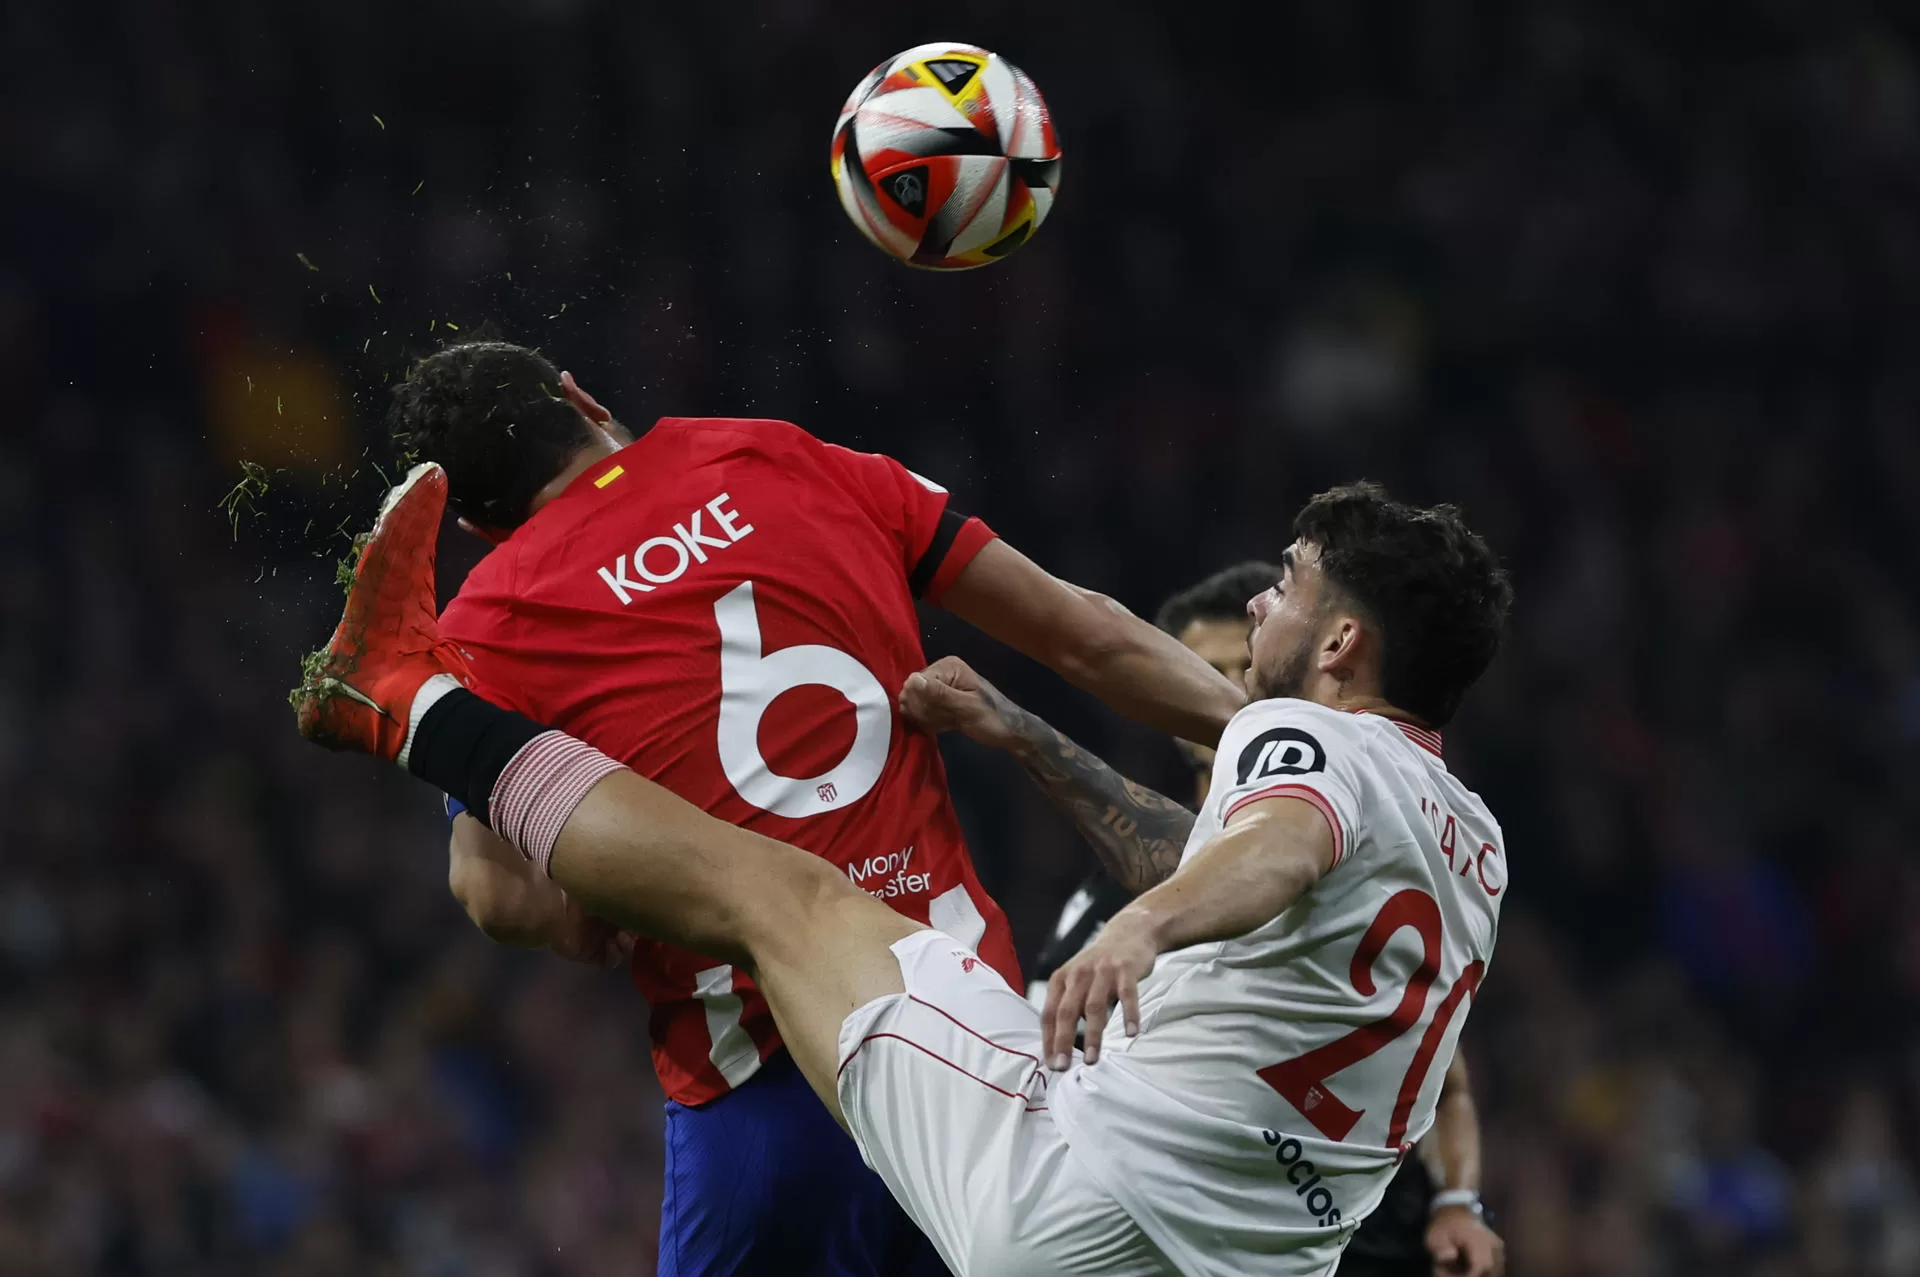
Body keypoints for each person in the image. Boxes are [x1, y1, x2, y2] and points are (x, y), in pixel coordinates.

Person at [295, 468, 1513, 1276]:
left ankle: (408, 704)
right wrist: (1034, 737)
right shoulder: (1472, 837)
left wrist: (1143, 927)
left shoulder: (1299, 748)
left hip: (1077, 1198)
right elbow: (1274, 844)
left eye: (1290, 583)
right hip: (1244, 1259)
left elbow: (1276, 843)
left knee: (780, 892)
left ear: (1343, 642)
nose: (1262, 594)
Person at [379, 339, 1245, 1275]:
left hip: (763, 1094)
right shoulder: (786, 456)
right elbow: (1089, 636)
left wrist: (591, 903)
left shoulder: (487, 626)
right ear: (582, 398)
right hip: (976, 1051)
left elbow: (498, 896)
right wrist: (1296, 744)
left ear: (471, 527)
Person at [935, 560, 1503, 1277]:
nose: (1233, 687)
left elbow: (1448, 1082)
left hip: (1351, 1242)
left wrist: (1458, 1199)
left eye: (1243, 662)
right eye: (1207, 669)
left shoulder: (1330, 851)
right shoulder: (1126, 898)